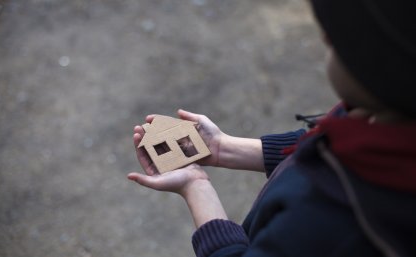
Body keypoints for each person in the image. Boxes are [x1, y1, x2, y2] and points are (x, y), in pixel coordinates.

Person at [128, 1, 416, 256]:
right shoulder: (381, 120)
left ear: (379, 72)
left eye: (336, 43)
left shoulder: (329, 222)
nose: (326, 37)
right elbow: (327, 148)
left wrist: (196, 187)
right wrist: (224, 148)